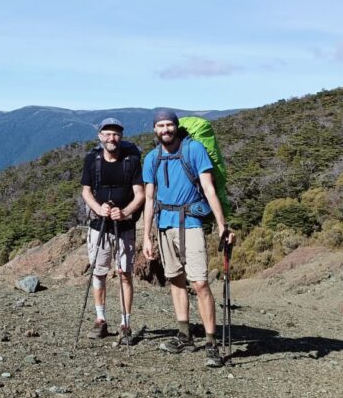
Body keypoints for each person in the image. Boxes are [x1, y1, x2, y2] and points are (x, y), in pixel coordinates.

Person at [141, 109, 235, 367]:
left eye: (169, 125)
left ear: (176, 126)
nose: (165, 130)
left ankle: (211, 343)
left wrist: (221, 225)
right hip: (163, 225)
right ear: (155, 130)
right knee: (175, 280)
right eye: (160, 126)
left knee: (200, 283)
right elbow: (149, 199)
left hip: (190, 223)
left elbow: (208, 188)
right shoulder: (151, 158)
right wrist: (146, 237)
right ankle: (184, 335)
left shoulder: (194, 150)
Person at [80, 117, 145, 345]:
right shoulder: (92, 160)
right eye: (107, 134)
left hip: (124, 226)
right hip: (100, 226)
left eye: (116, 134)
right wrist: (99, 209)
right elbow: (86, 192)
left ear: (122, 136)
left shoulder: (132, 160)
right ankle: (101, 320)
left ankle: (125, 323)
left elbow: (140, 194)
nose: (111, 138)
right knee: (99, 272)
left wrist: (125, 212)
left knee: (124, 273)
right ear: (100, 136)